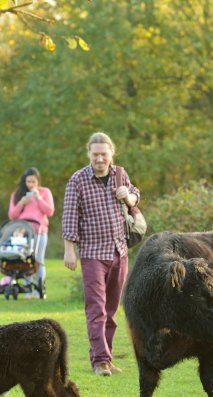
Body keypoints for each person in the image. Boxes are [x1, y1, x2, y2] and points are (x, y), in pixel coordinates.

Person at [62, 132, 140, 376]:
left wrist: (127, 196)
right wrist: (69, 251)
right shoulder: (78, 180)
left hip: (119, 251)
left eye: (103, 154)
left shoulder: (120, 175)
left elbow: (136, 195)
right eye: (95, 154)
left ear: (111, 153)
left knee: (112, 310)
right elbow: (69, 217)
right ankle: (100, 361)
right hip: (92, 253)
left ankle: (106, 357)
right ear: (89, 154)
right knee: (96, 308)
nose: (99, 158)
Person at [8, 167, 54, 298]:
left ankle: (40, 289)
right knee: (25, 260)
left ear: (38, 181)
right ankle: (28, 289)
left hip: (40, 231)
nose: (31, 184)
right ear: (24, 181)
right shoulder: (17, 194)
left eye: (33, 182)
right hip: (23, 233)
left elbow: (49, 211)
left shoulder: (45, 192)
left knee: (38, 260)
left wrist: (38, 198)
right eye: (28, 181)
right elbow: (12, 215)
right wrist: (21, 203)